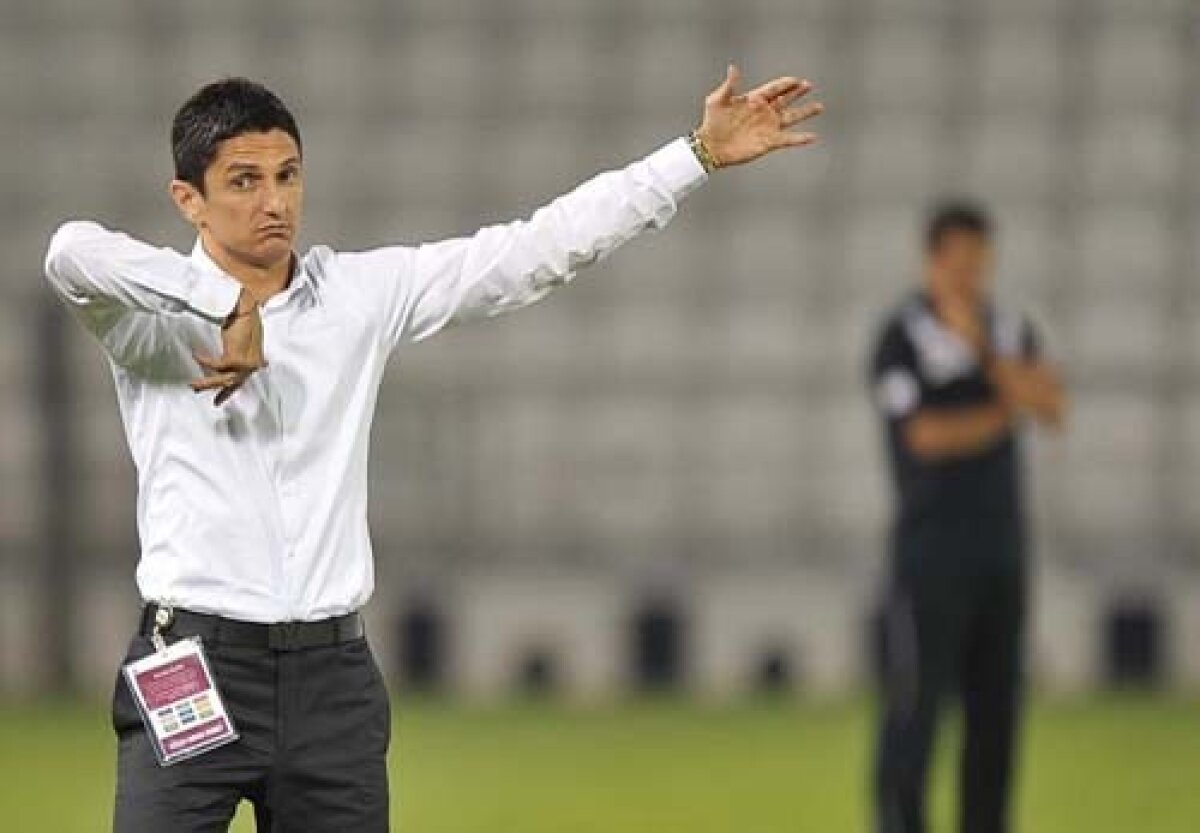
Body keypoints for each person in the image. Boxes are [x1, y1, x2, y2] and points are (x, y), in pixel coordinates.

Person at [43, 68, 823, 832]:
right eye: (243, 181)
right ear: (189, 199)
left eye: (287, 174)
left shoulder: (357, 296)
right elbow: (69, 251)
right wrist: (224, 302)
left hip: (330, 675)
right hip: (194, 660)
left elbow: (534, 250)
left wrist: (695, 155)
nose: (274, 201)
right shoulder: (146, 321)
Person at [869, 202, 1067, 833]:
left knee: (996, 711)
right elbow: (923, 437)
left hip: (1001, 548)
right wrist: (1003, 411)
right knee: (917, 705)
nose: (969, 275)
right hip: (930, 552)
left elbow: (1052, 405)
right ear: (932, 261)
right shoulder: (902, 336)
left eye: (979, 263)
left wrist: (984, 355)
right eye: (958, 262)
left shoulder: (1005, 330)